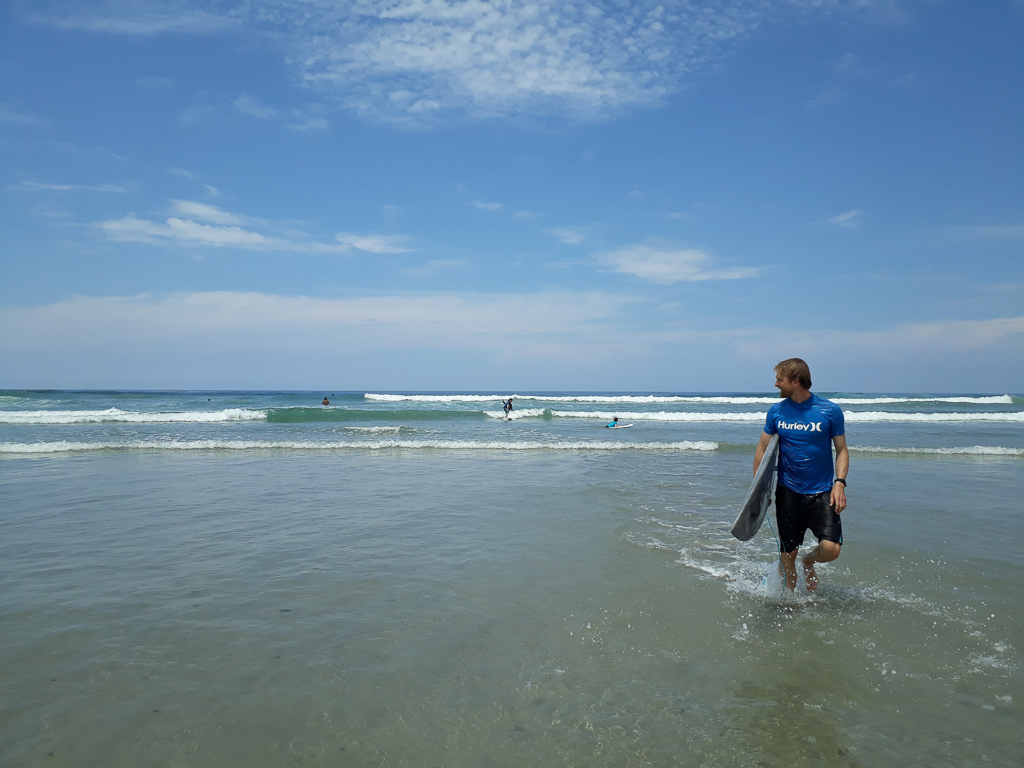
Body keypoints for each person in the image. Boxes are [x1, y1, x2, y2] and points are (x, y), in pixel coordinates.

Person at [753, 358, 848, 593]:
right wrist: (759, 492)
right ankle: (790, 600)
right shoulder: (776, 411)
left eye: (780, 379)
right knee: (788, 553)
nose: (776, 384)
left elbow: (842, 450)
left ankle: (808, 562)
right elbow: (762, 450)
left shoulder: (829, 411)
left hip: (822, 491)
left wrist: (840, 484)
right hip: (788, 491)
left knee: (831, 548)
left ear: (795, 381)